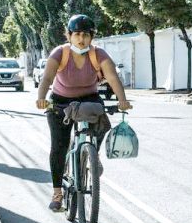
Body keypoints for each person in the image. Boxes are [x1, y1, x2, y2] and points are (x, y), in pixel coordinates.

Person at [36, 14, 132, 212]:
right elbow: (46, 79)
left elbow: (113, 78)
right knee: (59, 147)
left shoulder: (99, 55)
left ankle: (92, 156)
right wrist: (41, 97)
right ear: (69, 36)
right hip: (60, 103)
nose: (81, 39)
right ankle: (57, 193)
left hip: (89, 99)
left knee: (102, 123)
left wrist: (122, 100)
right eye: (77, 34)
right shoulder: (59, 54)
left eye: (86, 35)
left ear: (92, 37)